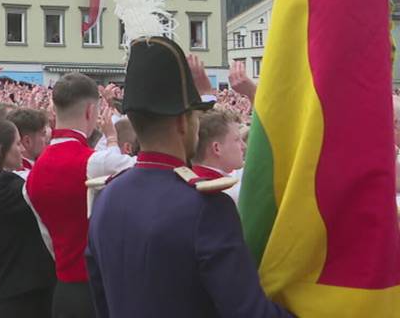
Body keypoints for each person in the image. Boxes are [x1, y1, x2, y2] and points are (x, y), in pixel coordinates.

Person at [86, 36, 291, 317]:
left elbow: (103, 304)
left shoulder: (106, 198)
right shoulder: (207, 208)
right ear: (183, 122)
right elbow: (248, 312)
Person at [25, 73, 134, 318]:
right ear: (89, 111)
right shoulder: (93, 161)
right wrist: (113, 139)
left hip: (64, 292)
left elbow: (49, 240)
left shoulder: (32, 175)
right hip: (100, 289)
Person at [0, 119, 55, 318]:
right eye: (17, 144)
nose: (22, 150)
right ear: (1, 150)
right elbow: (42, 186)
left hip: (14, 293)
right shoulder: (0, 187)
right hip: (20, 298)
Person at [192, 108, 246, 203]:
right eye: (237, 139)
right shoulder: (229, 194)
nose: (244, 146)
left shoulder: (186, 182)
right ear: (217, 148)